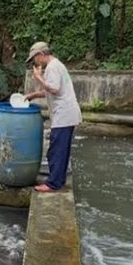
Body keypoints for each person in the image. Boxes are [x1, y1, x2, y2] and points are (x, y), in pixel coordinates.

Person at [24, 41, 81, 193]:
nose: (34, 63)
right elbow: (52, 89)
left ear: (41, 55)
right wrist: (33, 95)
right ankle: (58, 180)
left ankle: (53, 184)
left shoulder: (52, 67)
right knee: (61, 149)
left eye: (34, 59)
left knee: (56, 150)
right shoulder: (57, 65)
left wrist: (38, 78)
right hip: (67, 114)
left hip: (63, 115)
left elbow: (54, 89)